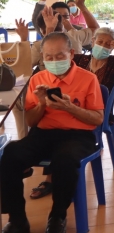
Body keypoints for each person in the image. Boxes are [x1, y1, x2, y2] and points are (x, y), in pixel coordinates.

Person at [0, 32, 104, 233]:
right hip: (43, 134)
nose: (54, 61)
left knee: (64, 160)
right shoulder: (38, 79)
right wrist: (41, 104)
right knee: (11, 153)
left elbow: (98, 119)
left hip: (78, 135)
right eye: (49, 57)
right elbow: (31, 121)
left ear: (71, 53)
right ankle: (17, 220)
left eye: (59, 56)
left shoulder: (88, 79)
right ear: (42, 57)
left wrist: (70, 108)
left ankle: (58, 216)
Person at [29, 27, 114, 201]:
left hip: (97, 114)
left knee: (63, 135)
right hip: (68, 110)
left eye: (108, 44)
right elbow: (54, 65)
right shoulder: (80, 59)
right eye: (100, 42)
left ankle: (55, 182)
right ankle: (51, 177)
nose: (103, 46)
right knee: (52, 125)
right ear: (93, 42)